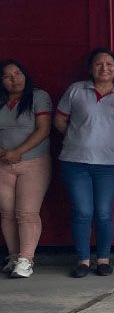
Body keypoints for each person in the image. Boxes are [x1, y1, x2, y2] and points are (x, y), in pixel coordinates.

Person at [54, 48, 114, 278]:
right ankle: (82, 260)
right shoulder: (76, 90)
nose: (104, 68)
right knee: (82, 212)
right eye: (99, 64)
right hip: (75, 161)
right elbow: (60, 119)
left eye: (109, 64)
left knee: (103, 213)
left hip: (109, 164)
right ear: (91, 68)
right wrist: (77, 138)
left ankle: (103, 259)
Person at [0, 60, 52, 279]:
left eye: (18, 73)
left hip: (34, 161)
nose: (14, 79)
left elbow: (43, 129)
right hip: (2, 163)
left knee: (27, 213)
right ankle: (13, 256)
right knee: (7, 213)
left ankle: (26, 259)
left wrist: (17, 151)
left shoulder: (39, 96)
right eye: (8, 76)